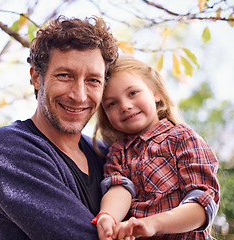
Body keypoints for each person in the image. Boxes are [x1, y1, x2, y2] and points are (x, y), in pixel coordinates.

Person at [0, 15, 119, 239]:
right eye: (65, 76)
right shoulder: (5, 150)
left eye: (93, 80)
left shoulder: (110, 154)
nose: (79, 95)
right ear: (36, 77)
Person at [92, 55, 220, 240]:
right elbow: (119, 189)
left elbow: (202, 205)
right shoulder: (117, 153)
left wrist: (153, 223)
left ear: (155, 93)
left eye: (133, 93)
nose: (125, 106)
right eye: (112, 103)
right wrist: (108, 216)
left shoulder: (183, 138)